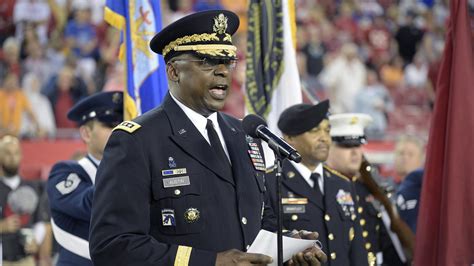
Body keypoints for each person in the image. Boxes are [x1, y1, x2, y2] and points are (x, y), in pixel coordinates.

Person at [90, 10, 326, 266]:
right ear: (173, 71)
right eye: (207, 62)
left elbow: (257, 222)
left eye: (228, 62)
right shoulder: (137, 140)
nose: (223, 71)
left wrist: (286, 247)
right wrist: (209, 262)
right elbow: (111, 245)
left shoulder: (244, 134)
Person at [266, 101, 368, 266]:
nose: (324, 138)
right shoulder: (271, 182)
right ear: (289, 138)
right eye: (314, 131)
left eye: (327, 130)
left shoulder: (342, 184)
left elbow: (357, 250)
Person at [46, 91, 124, 266]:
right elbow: (92, 205)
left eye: (122, 124)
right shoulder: (64, 172)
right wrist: (121, 163)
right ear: (86, 133)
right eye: (110, 125)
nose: (119, 130)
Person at [326, 113, 408, 265]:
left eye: (358, 145)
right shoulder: (321, 188)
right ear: (329, 147)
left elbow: (386, 241)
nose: (355, 152)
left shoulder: (368, 189)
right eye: (347, 146)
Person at [0, 135, 43, 266]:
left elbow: (39, 222)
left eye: (16, 153)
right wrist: (2, 226)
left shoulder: (32, 187)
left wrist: (36, 241)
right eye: (7, 153)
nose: (12, 157)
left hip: (26, 260)